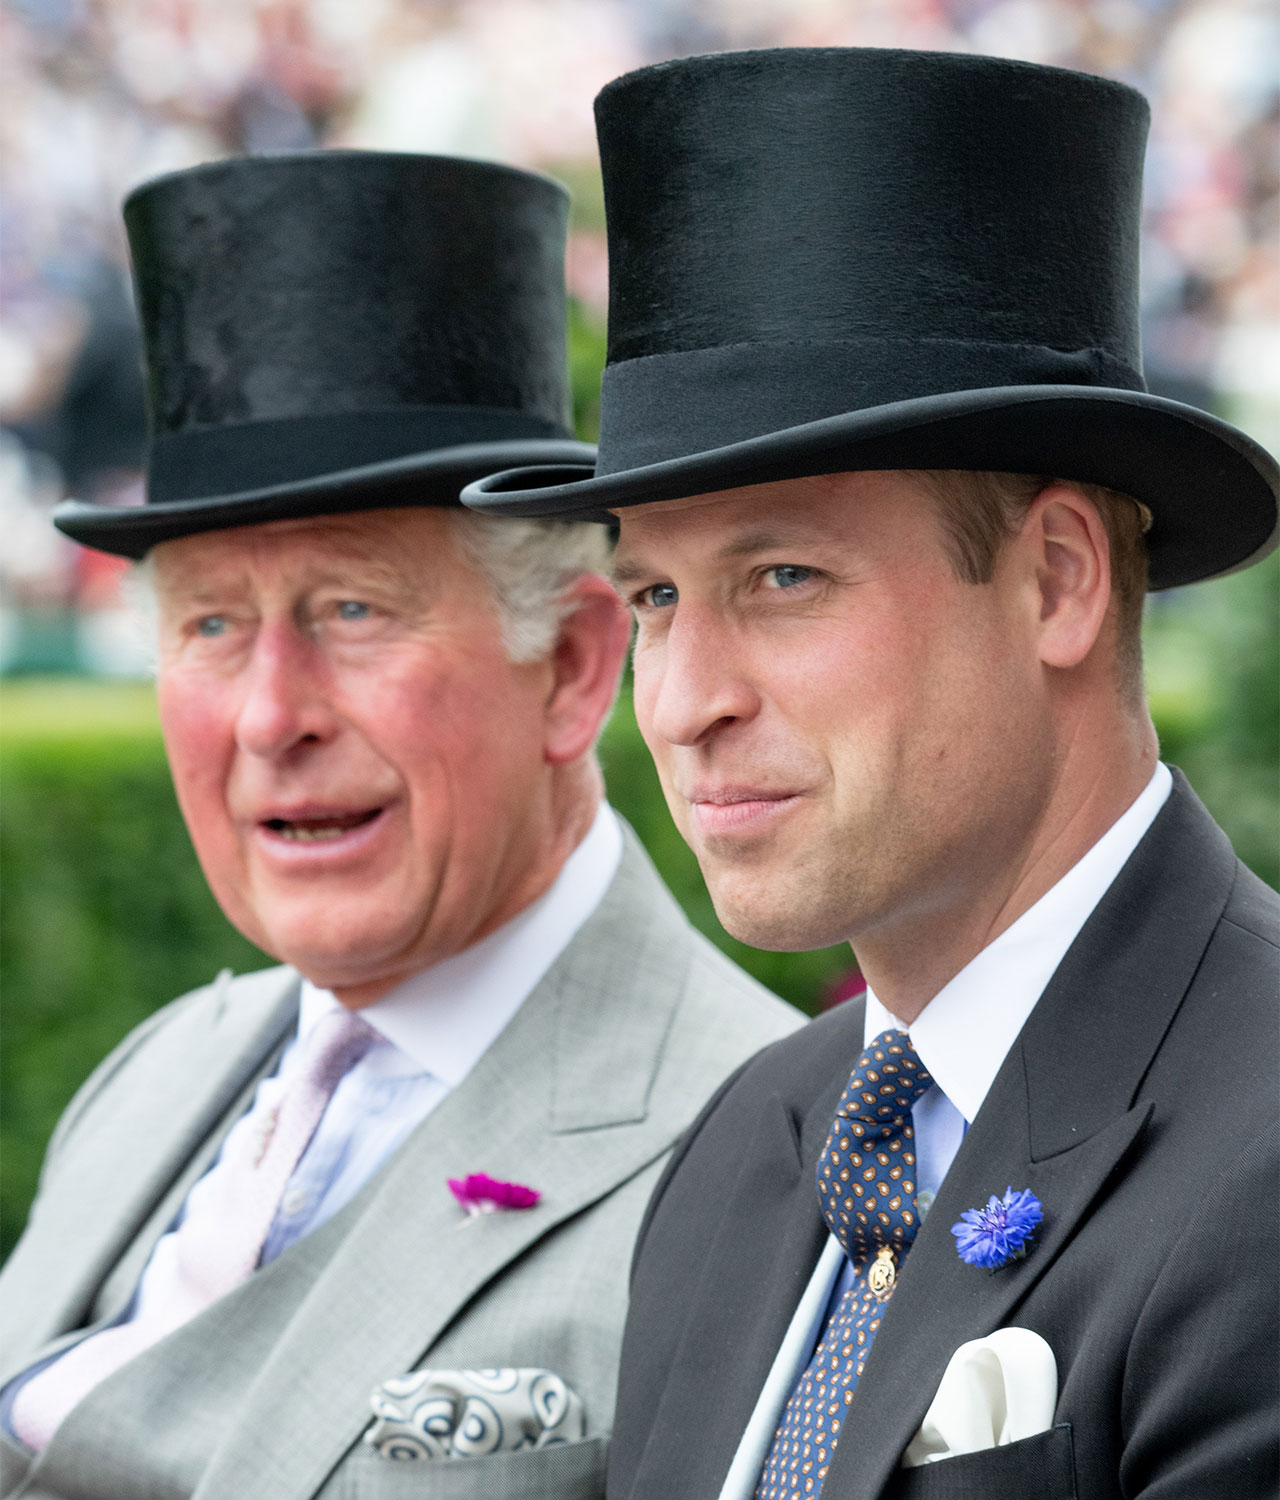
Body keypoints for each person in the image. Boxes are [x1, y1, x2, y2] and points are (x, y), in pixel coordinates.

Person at [463, 48, 1280, 1500]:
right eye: (654, 597)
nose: (686, 702)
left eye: (782, 575)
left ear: (1058, 578)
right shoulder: (748, 1148)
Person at [0, 150, 800, 1500]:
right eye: (210, 625)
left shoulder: (759, 1156)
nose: (269, 716)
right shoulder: (156, 1075)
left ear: (568, 666)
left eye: (352, 611)